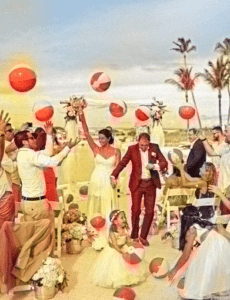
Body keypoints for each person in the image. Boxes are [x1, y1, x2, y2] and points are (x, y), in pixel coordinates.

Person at [111, 133, 168, 246]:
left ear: (149, 142)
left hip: (151, 183)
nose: (143, 147)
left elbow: (164, 162)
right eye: (141, 145)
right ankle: (134, 236)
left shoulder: (154, 147)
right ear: (138, 142)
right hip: (137, 183)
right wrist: (114, 175)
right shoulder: (132, 149)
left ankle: (143, 236)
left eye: (145, 145)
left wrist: (155, 166)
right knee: (135, 210)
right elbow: (123, 163)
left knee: (150, 211)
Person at [14, 124, 79, 222]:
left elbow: (47, 153)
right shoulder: (29, 155)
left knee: (38, 232)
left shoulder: (23, 153)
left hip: (30, 202)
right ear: (24, 142)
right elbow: (52, 162)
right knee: (44, 232)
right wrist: (67, 148)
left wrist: (48, 134)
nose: (35, 140)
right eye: (32, 138)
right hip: (35, 203)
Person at [168, 205, 230, 299]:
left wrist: (174, 270)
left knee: (197, 278)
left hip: (212, 247)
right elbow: (223, 232)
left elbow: (186, 255)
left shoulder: (191, 230)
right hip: (224, 245)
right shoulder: (207, 221)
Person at [78, 110, 121, 222]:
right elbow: (87, 133)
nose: (100, 140)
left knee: (107, 202)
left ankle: (108, 225)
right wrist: (82, 118)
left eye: (102, 138)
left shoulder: (116, 151)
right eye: (99, 138)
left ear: (108, 138)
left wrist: (115, 179)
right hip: (96, 178)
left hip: (108, 180)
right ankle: (93, 224)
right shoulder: (96, 149)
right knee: (95, 201)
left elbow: (117, 168)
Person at [90, 210, 147, 289]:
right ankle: (118, 280)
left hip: (123, 246)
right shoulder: (112, 231)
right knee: (117, 265)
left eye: (124, 217)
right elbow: (114, 244)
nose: (124, 219)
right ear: (115, 221)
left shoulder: (125, 229)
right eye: (122, 218)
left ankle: (128, 279)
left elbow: (127, 240)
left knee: (129, 264)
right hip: (115, 249)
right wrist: (121, 252)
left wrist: (133, 244)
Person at [199, 125, 230, 192]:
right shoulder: (226, 150)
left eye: (226, 131)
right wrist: (203, 139)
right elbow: (212, 152)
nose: (223, 134)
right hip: (222, 190)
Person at [0, 111, 15, 229]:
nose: (12, 133)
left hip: (5, 194)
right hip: (3, 196)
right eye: (8, 130)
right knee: (6, 232)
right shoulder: (4, 144)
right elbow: (7, 165)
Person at [4, 122, 21, 203]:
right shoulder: (3, 144)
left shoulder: (10, 142)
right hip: (10, 183)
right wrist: (23, 137)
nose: (12, 132)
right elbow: (8, 149)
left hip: (16, 181)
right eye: (10, 130)